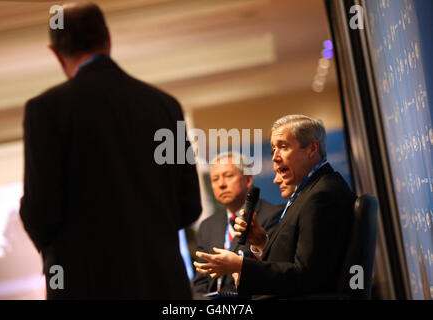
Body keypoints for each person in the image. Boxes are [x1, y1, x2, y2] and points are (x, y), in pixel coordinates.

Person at [20, 3, 201, 299]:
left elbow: (41, 211)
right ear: (108, 38)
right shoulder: (164, 106)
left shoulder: (46, 111)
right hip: (163, 284)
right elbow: (189, 205)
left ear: (55, 53)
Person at [194, 115, 355, 298]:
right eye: (273, 149)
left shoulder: (321, 196)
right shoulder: (309, 193)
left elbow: (307, 277)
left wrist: (241, 266)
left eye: (283, 147)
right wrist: (262, 242)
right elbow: (291, 262)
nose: (275, 157)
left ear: (312, 148)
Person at [192, 152, 283, 296]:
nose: (221, 184)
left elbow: (274, 267)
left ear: (248, 180)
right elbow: (201, 282)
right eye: (215, 179)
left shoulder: (272, 215)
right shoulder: (207, 225)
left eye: (228, 176)